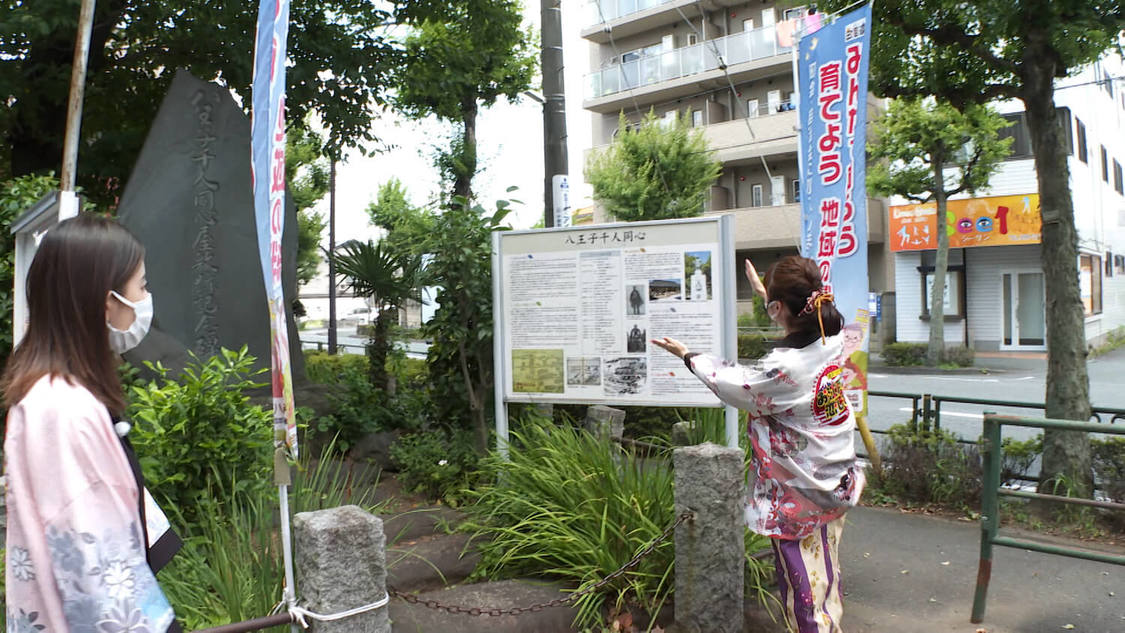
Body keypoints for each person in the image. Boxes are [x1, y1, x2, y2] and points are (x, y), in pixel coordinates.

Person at [652, 255, 865, 633]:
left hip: (801, 495)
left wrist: (687, 355)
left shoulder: (786, 368)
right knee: (825, 573)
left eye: (773, 305)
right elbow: (797, 315)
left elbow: (735, 383)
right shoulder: (831, 335)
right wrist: (768, 294)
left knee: (802, 590)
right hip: (836, 479)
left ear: (779, 308)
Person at [3, 214, 178, 632]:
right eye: (142, 285)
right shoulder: (64, 409)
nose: (146, 297)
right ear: (108, 301)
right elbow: (99, 572)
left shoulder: (53, 395)